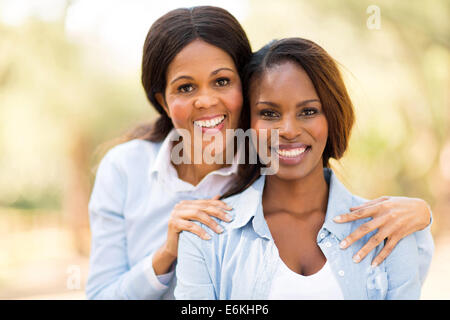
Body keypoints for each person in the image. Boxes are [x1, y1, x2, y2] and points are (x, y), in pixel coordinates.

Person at [86, 6, 433, 300]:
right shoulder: (124, 169)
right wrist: (166, 253)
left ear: (245, 89)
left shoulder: (267, 163)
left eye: (221, 81)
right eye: (185, 87)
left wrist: (421, 213)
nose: (205, 101)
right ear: (163, 100)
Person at [174, 38, 434, 299]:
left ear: (333, 117)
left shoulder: (388, 229)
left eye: (308, 111)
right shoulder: (205, 237)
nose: (288, 130)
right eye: (269, 114)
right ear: (247, 124)